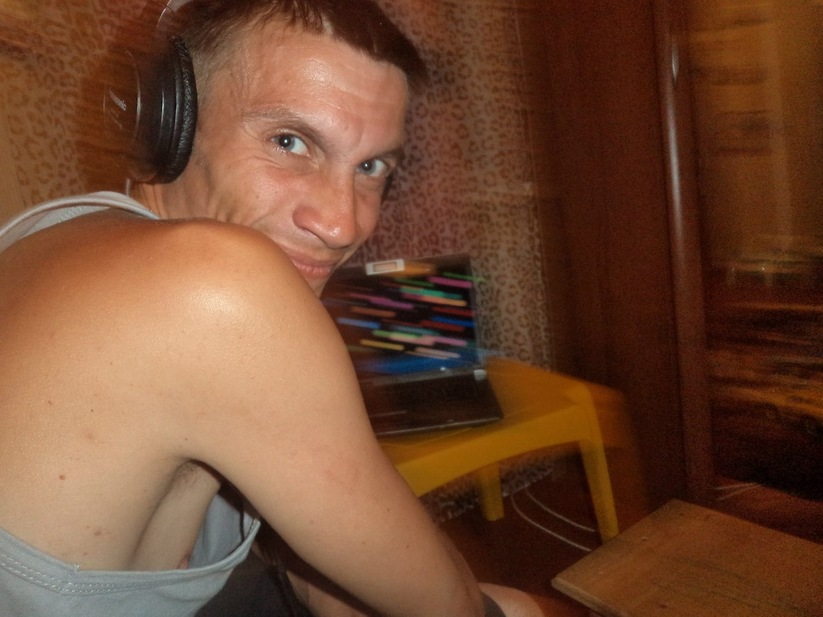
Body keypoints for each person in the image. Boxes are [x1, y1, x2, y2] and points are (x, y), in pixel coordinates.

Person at [0, 1, 545, 616]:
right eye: (289, 142)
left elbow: (294, 544)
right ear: (165, 124)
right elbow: (449, 607)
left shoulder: (54, 230)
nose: (342, 224)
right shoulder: (220, 285)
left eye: (370, 167)